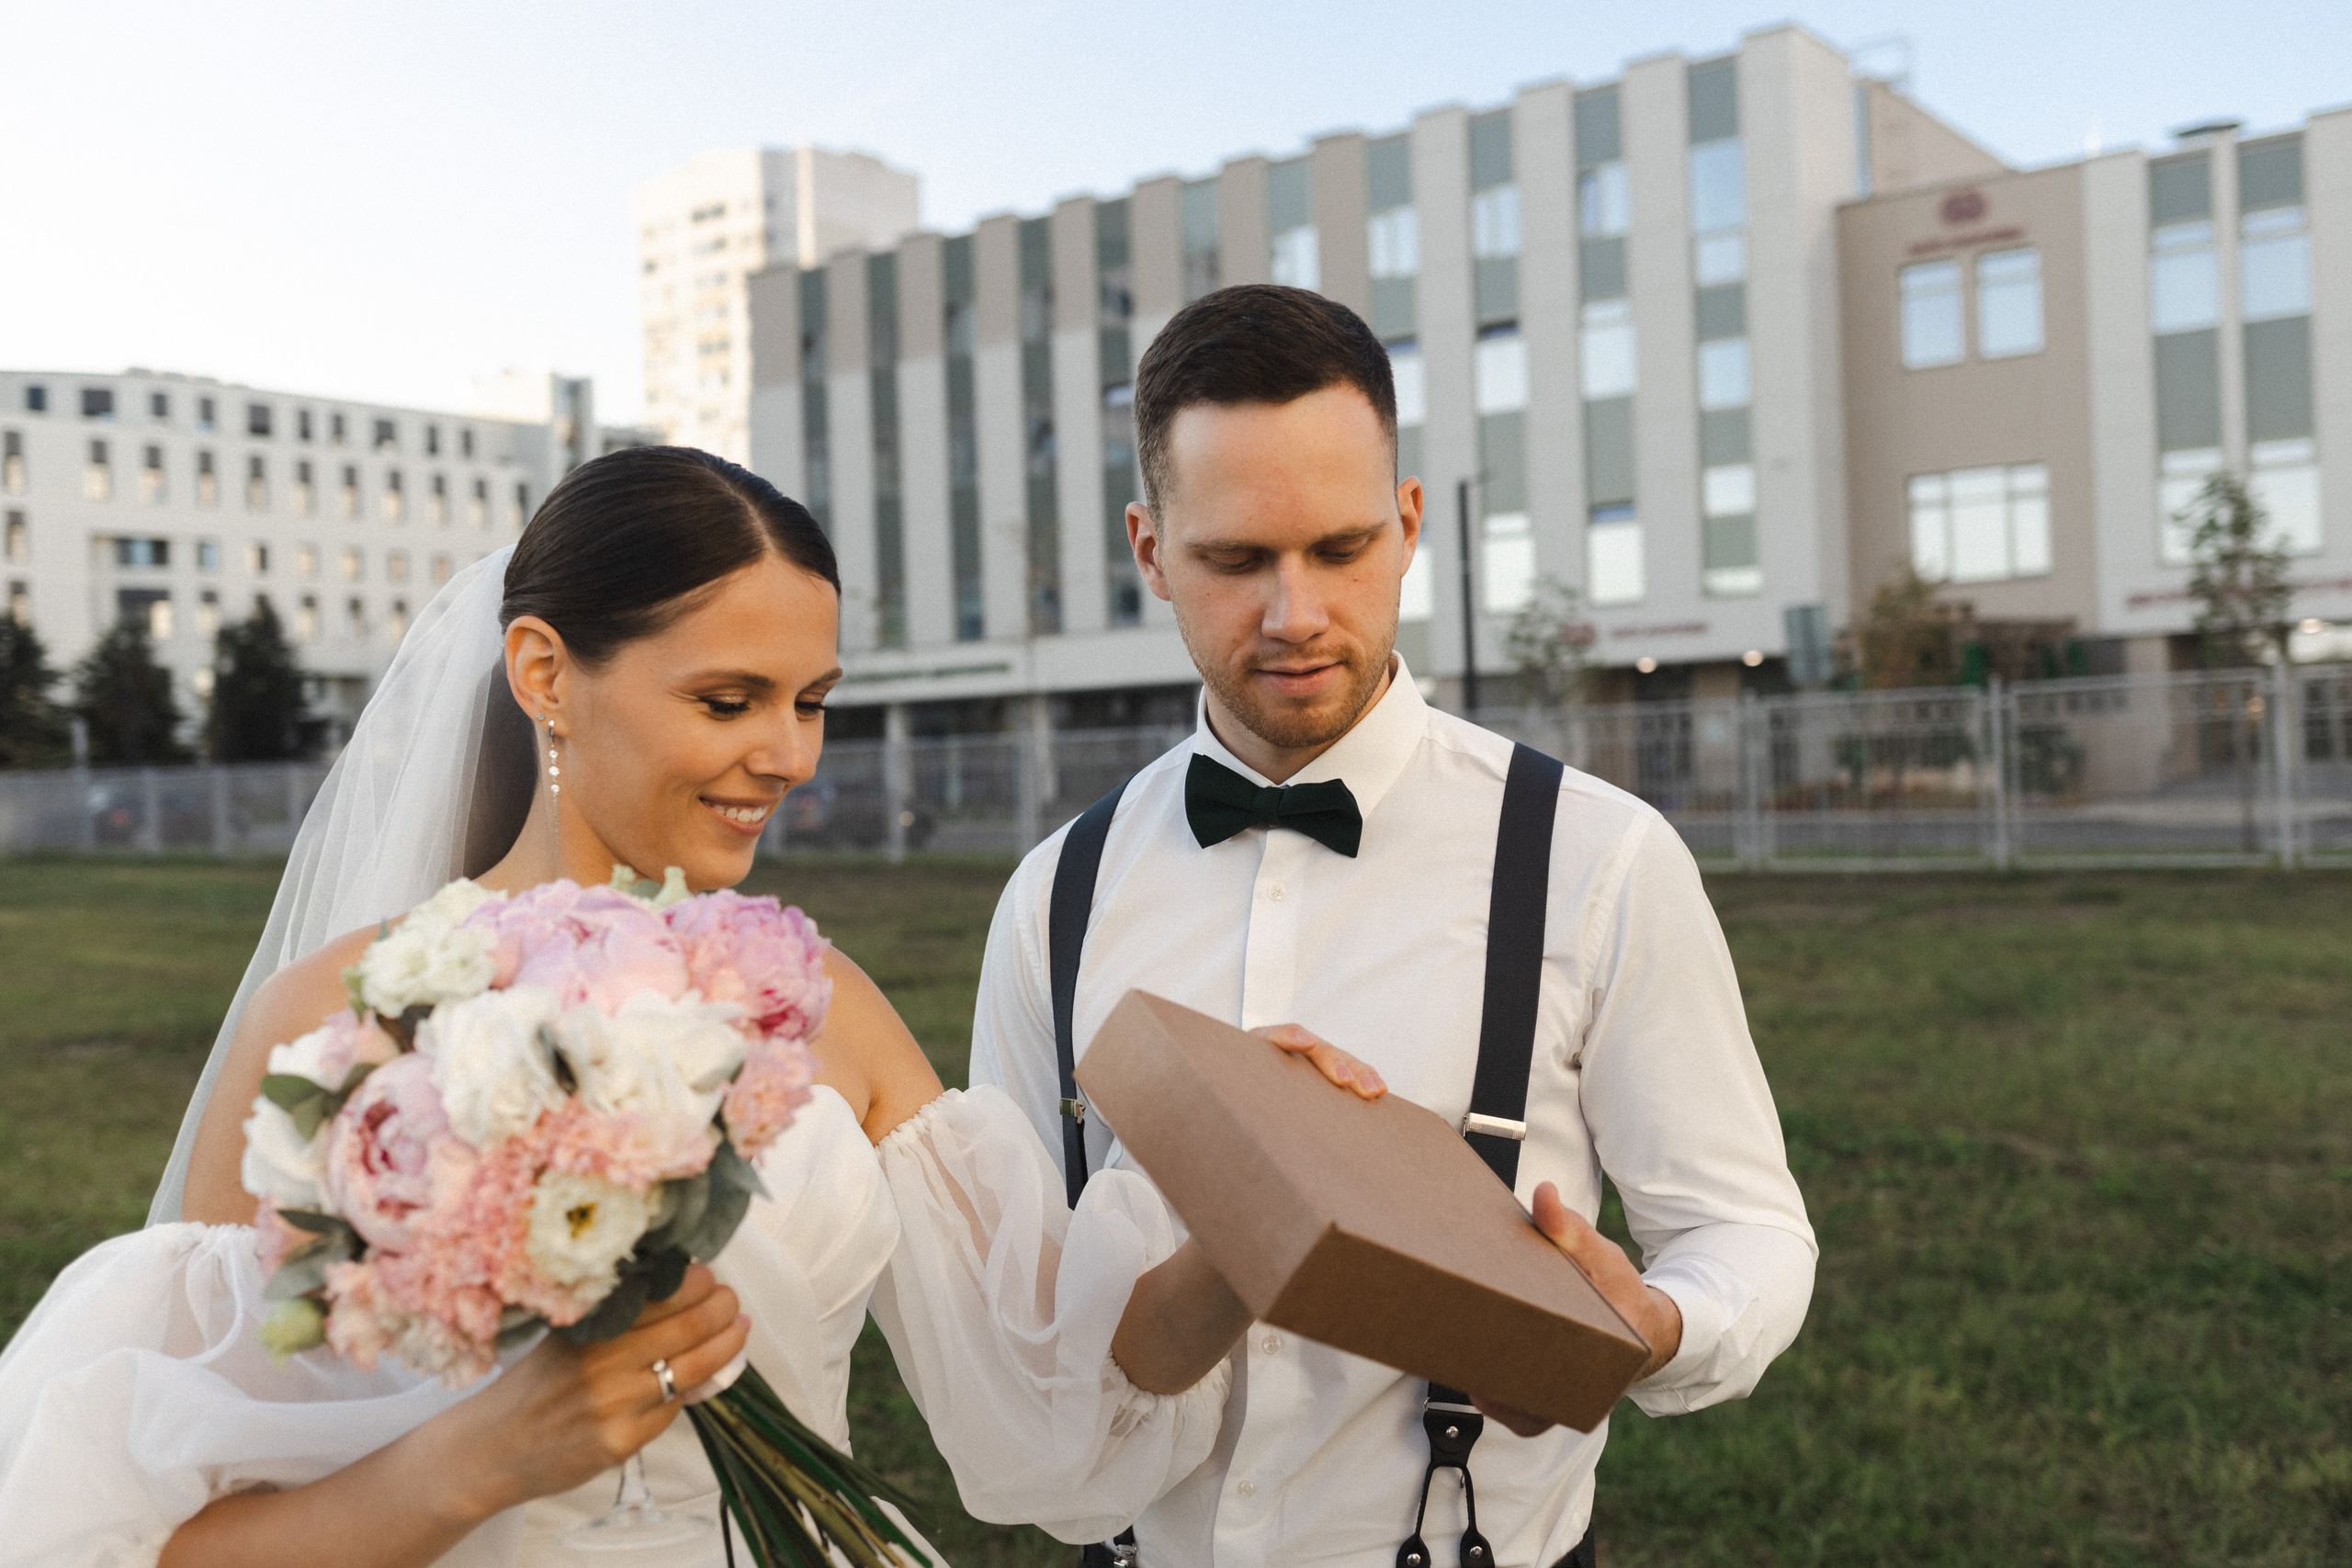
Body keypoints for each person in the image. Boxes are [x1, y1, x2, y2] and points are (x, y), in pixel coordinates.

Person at [0, 446, 1378, 1568]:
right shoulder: (335, 1030)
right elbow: (148, 1541)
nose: (788, 756)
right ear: (545, 674)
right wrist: (471, 1462)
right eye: (729, 701)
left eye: (811, 702)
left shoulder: (821, 1005)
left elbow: (1052, 1401)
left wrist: (1249, 1211)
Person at [956, 285, 1817, 1568]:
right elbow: (1013, 1315)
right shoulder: (1055, 896)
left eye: (1341, 548)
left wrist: (1660, 1328)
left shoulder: (1597, 858)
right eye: (1235, 560)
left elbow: (1746, 1230)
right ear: (1149, 551)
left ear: (1409, 524)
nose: (1295, 614)